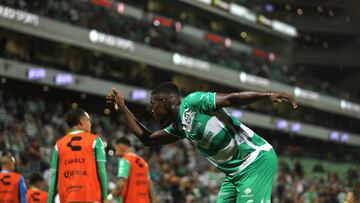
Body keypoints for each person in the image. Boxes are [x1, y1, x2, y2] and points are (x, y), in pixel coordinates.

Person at [106, 82, 297, 203]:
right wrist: (122, 107)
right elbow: (147, 139)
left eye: (152, 103)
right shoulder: (179, 127)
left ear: (163, 100)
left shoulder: (193, 102)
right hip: (234, 174)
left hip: (256, 160)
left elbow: (231, 98)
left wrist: (267, 95)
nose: (151, 109)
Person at [47, 108, 108, 203]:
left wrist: (49, 200)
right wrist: (104, 197)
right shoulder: (95, 140)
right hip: (90, 197)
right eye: (88, 121)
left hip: (68, 198)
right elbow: (101, 170)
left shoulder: (58, 145)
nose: (90, 124)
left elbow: (54, 175)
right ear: (81, 122)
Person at [107, 137, 157, 203]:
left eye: (116, 149)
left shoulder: (125, 160)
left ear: (121, 146)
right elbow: (149, 184)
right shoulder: (143, 162)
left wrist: (110, 197)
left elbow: (122, 182)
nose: (116, 154)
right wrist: (153, 200)